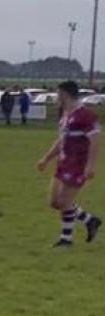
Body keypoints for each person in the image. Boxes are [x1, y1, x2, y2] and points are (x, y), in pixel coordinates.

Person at [35, 81, 102, 247]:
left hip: (78, 164)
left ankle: (66, 239)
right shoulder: (65, 115)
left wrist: (90, 165)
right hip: (64, 162)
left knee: (64, 202)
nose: (56, 97)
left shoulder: (84, 115)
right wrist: (46, 158)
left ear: (65, 94)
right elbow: (61, 140)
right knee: (55, 202)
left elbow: (95, 140)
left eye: (58, 94)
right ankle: (90, 220)